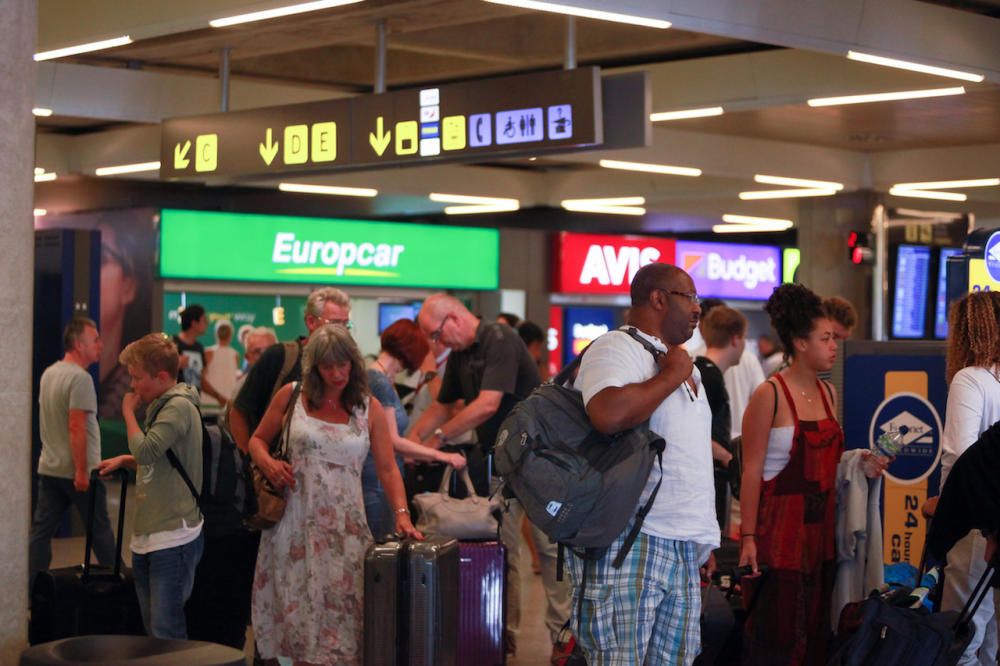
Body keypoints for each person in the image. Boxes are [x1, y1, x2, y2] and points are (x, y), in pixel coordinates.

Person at [248, 325, 421, 665]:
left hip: (345, 529)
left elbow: (388, 469)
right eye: (328, 366)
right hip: (294, 525)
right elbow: (257, 441)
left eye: (343, 365)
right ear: (314, 368)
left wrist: (402, 514)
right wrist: (268, 463)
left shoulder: (367, 408)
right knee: (295, 616)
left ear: (354, 364)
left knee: (343, 618)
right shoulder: (291, 396)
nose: (337, 373)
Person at [412, 294, 571, 661]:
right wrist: (410, 443)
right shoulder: (461, 355)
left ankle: (563, 635)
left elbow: (487, 404)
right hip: (500, 468)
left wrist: (437, 439)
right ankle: (504, 637)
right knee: (504, 551)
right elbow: (441, 405)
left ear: (453, 318)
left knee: (550, 551)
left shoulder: (499, 339)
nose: (438, 344)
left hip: (540, 462)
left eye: (437, 335)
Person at [572, 262, 717, 665]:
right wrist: (670, 377)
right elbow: (607, 413)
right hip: (631, 540)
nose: (697, 309)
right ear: (658, 299)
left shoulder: (676, 361)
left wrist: (701, 537)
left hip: (680, 543)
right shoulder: (615, 348)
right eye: (690, 298)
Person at [739, 284, 847, 665]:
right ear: (801, 343)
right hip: (779, 536)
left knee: (818, 630)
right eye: (826, 338)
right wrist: (748, 537)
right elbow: (751, 471)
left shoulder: (829, 393)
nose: (834, 345)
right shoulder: (770, 394)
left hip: (821, 538)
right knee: (779, 636)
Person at [98, 333, 204, 639]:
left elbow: (147, 451)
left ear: (161, 377)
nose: (132, 386)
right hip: (150, 534)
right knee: (152, 626)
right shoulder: (163, 405)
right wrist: (127, 460)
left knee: (165, 630)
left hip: (172, 535)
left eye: (137, 377)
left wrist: (129, 414)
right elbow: (156, 459)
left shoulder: (178, 407)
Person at [922, 291, 1000, 666]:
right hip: (997, 525)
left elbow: (960, 457)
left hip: (972, 527)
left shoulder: (970, 379)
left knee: (959, 639)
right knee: (993, 642)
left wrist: (943, 505)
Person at [29, 317, 116, 588]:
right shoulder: (80, 379)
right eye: (95, 340)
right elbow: (76, 425)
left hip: (50, 468)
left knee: (40, 534)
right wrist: (81, 471)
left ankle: (32, 590)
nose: (101, 345)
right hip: (78, 472)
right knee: (101, 533)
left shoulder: (49, 373)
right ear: (79, 345)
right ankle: (122, 590)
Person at [362, 318, 466, 539]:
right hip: (380, 482)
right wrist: (441, 455)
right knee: (380, 549)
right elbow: (394, 441)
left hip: (380, 478)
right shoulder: (378, 382)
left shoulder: (377, 379)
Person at [230, 287, 351, 454]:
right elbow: (239, 411)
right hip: (275, 467)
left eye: (346, 324)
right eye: (336, 323)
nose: (342, 331)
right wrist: (248, 461)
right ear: (311, 322)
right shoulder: (280, 357)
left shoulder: (349, 366)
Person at [694, 305, 747, 532]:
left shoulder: (702, 371)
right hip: (706, 484)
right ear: (735, 339)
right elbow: (693, 430)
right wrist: (727, 457)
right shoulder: (709, 377)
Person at [173, 305, 228, 409]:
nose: (207, 323)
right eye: (204, 320)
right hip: (176, 404)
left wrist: (218, 397)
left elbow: (200, 379)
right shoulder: (173, 344)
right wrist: (176, 364)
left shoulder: (199, 348)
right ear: (194, 323)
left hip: (194, 404)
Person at [202, 319, 239, 409]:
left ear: (216, 334)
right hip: (223, 403)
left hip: (211, 402)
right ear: (231, 335)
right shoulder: (235, 354)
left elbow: (201, 378)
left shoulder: (208, 352)